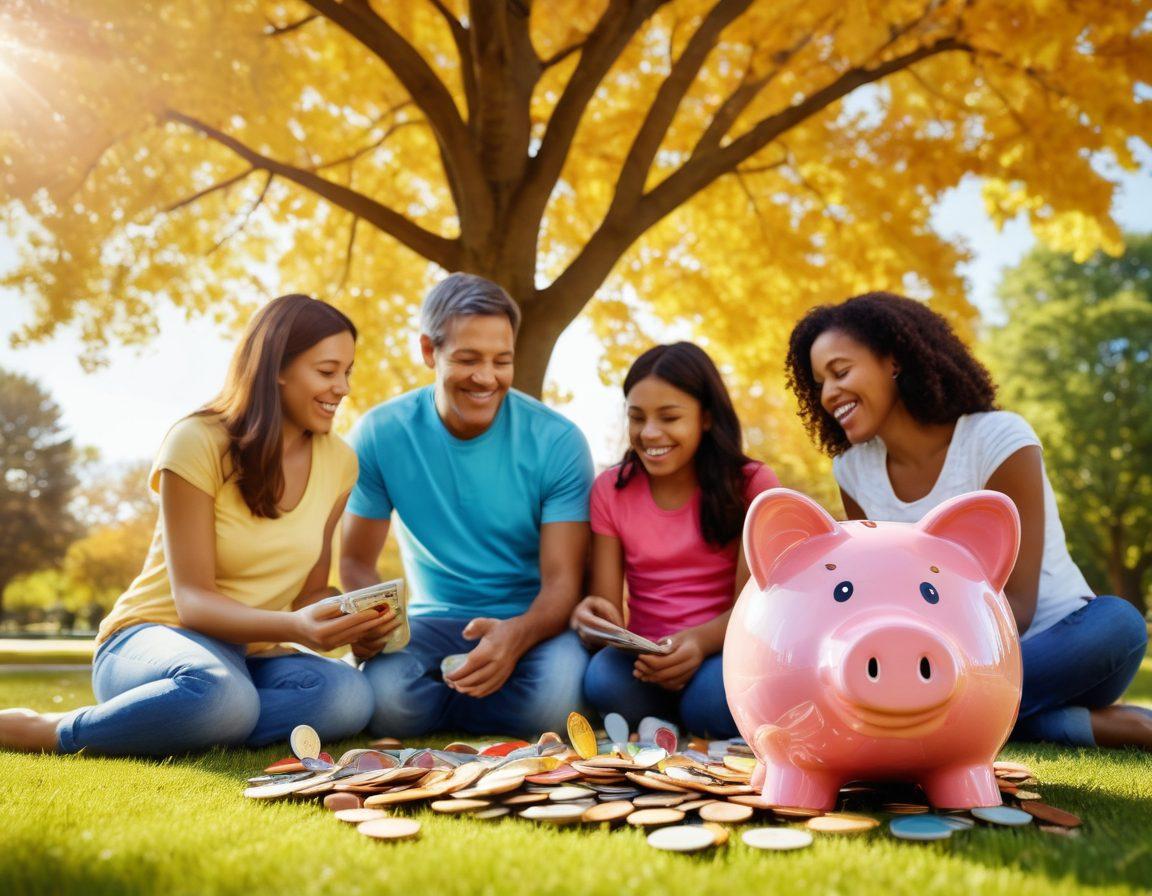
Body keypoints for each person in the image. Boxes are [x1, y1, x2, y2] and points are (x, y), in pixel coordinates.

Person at [0, 294, 387, 755]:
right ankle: (50, 729)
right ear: (275, 368)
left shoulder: (339, 462)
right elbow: (194, 603)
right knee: (221, 694)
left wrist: (353, 620)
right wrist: (294, 626)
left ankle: (192, 719)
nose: (342, 387)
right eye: (327, 372)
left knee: (348, 697)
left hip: (252, 656)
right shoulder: (197, 441)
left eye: (348, 372)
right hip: (153, 637)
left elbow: (310, 594)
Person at [785, 291, 1151, 750]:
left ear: (893, 362)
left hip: (1061, 643)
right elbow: (876, 593)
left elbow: (1017, 603)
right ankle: (1067, 724)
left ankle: (929, 709)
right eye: (819, 382)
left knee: (1119, 623)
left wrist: (940, 666)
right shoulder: (853, 471)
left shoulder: (998, 439)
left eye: (840, 372)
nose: (828, 394)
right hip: (936, 660)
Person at [341, 273, 594, 738]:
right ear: (427, 351)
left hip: (534, 622)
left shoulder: (558, 442)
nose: (486, 378)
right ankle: (467, 700)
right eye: (467, 359)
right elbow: (356, 561)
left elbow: (563, 581)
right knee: (387, 703)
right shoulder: (380, 434)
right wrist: (375, 625)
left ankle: (447, 704)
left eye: (502, 361)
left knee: (552, 701)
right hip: (430, 623)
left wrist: (515, 636)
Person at [573, 343, 780, 737]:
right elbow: (607, 607)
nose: (650, 433)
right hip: (644, 661)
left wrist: (698, 644)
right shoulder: (610, 490)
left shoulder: (752, 484)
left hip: (721, 653)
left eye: (669, 417)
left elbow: (755, 608)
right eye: (637, 418)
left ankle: (677, 718)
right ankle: (665, 718)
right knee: (601, 678)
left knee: (711, 702)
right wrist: (594, 618)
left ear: (705, 417)